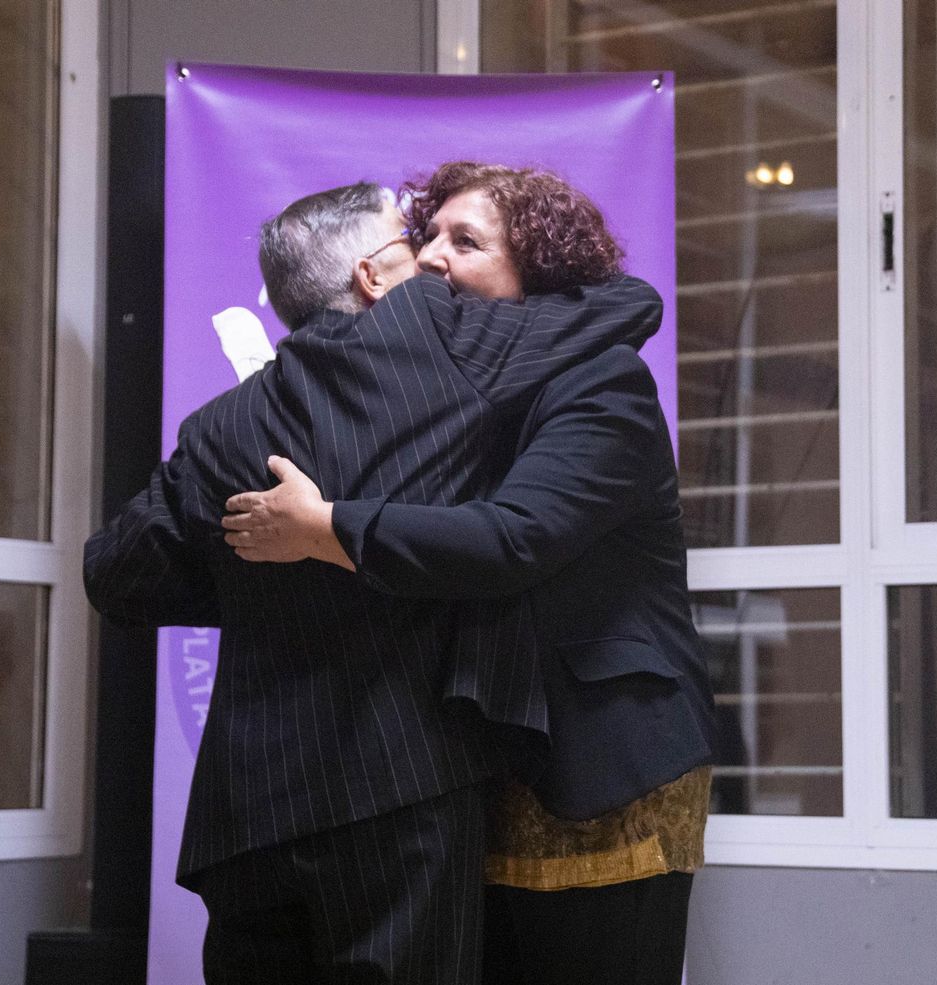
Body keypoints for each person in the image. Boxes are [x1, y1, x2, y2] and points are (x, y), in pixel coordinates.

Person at [83, 178, 662, 984]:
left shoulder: (219, 427)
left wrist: (253, 558)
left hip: (242, 814)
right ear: (373, 275)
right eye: (410, 244)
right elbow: (626, 305)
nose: (429, 260)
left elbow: (114, 575)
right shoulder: (444, 335)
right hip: (397, 798)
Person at [221, 161, 716, 985]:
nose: (434, 257)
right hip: (480, 773)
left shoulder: (604, 382)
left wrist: (322, 527)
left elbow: (514, 538)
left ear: (541, 269)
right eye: (428, 237)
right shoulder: (441, 396)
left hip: (603, 762)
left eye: (467, 240)